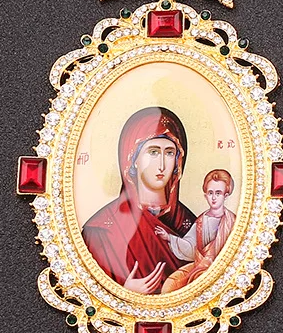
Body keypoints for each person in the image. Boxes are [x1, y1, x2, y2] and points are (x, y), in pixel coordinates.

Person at [81, 106, 195, 294]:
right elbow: (91, 290)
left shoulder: (191, 225)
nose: (161, 165)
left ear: (178, 160)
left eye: (169, 153)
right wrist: (123, 291)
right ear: (132, 159)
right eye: (153, 152)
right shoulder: (100, 231)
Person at [161, 169, 237, 293]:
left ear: (226, 195)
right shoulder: (201, 221)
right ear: (205, 195)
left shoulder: (232, 221)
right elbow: (191, 247)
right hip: (200, 267)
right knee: (172, 284)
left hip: (225, 269)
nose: (213, 198)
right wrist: (169, 237)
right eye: (210, 193)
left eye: (218, 193)